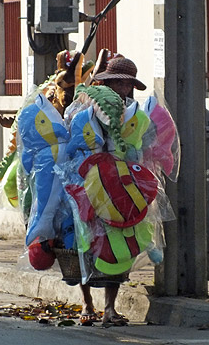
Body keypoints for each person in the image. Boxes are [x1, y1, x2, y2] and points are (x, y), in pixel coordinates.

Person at [78, 56, 146, 327]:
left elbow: (143, 144)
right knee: (85, 240)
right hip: (89, 183)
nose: (121, 88)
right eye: (115, 82)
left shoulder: (135, 112)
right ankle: (86, 303)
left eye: (125, 84)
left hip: (123, 186)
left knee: (120, 241)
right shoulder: (87, 106)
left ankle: (110, 308)